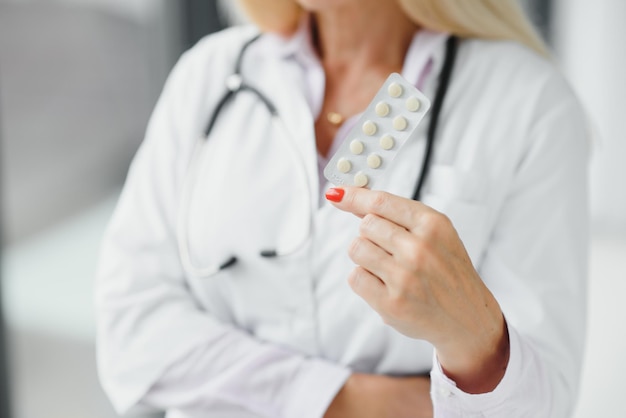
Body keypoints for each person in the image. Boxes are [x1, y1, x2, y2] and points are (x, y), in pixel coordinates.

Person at [95, 0, 589, 417]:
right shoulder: (209, 74)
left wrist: (473, 338)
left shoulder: (528, 102)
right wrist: (362, 402)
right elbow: (131, 331)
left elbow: (540, 402)